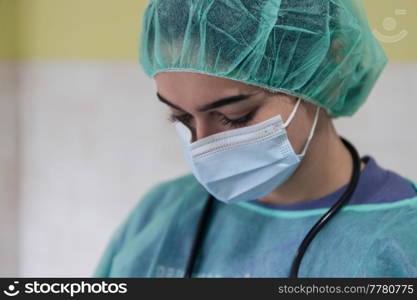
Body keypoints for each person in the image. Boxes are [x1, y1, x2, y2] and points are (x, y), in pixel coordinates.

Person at [93, 0, 417, 277]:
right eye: (181, 117)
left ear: (320, 70)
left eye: (235, 116)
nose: (202, 145)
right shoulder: (160, 214)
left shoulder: (402, 240)